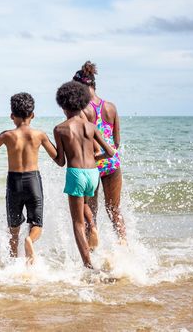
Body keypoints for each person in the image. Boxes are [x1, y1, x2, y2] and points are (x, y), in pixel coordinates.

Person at [0, 93, 57, 264]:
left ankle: (13, 266)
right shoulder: (40, 135)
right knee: (37, 224)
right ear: (32, 115)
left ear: (11, 116)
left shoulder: (6, 136)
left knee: (14, 230)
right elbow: (59, 160)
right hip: (33, 182)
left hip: (14, 183)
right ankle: (30, 240)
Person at [53, 81, 115, 269]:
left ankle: (88, 266)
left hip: (76, 173)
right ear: (82, 104)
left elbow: (61, 161)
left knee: (77, 223)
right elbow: (110, 152)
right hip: (93, 174)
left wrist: (49, 148)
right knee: (86, 205)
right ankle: (94, 227)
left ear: (63, 106)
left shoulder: (60, 129)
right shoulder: (90, 126)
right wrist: (92, 157)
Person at [76, 61, 127, 243]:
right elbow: (117, 142)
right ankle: (124, 245)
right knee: (114, 210)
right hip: (112, 163)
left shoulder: (83, 110)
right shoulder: (111, 107)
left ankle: (93, 251)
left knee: (91, 212)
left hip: (93, 164)